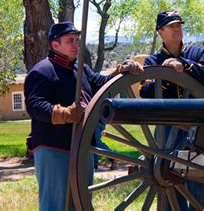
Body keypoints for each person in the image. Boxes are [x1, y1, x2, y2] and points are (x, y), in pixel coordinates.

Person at [25, 22, 143, 211]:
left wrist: (120, 71)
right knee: (56, 204)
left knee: (80, 202)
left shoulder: (80, 69)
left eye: (77, 40)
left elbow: (101, 84)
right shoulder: (42, 71)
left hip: (82, 146)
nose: (76, 45)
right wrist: (64, 114)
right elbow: (35, 105)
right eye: (70, 41)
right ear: (55, 45)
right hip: (54, 147)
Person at [140, 10, 204, 210]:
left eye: (179, 26)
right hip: (166, 130)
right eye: (172, 26)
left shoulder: (196, 54)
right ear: (160, 32)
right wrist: (165, 74)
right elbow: (146, 92)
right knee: (167, 180)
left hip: (196, 127)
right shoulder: (152, 62)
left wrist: (183, 65)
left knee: (198, 180)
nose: (177, 30)